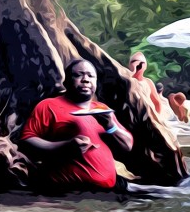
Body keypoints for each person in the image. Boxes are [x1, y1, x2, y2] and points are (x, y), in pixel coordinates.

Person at [21, 59, 134, 191]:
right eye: (79, 75)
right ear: (67, 81)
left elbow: (127, 146)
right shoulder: (48, 106)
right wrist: (64, 146)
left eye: (91, 76)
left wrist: (110, 125)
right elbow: (26, 141)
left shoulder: (102, 109)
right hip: (69, 192)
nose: (86, 79)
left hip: (108, 192)